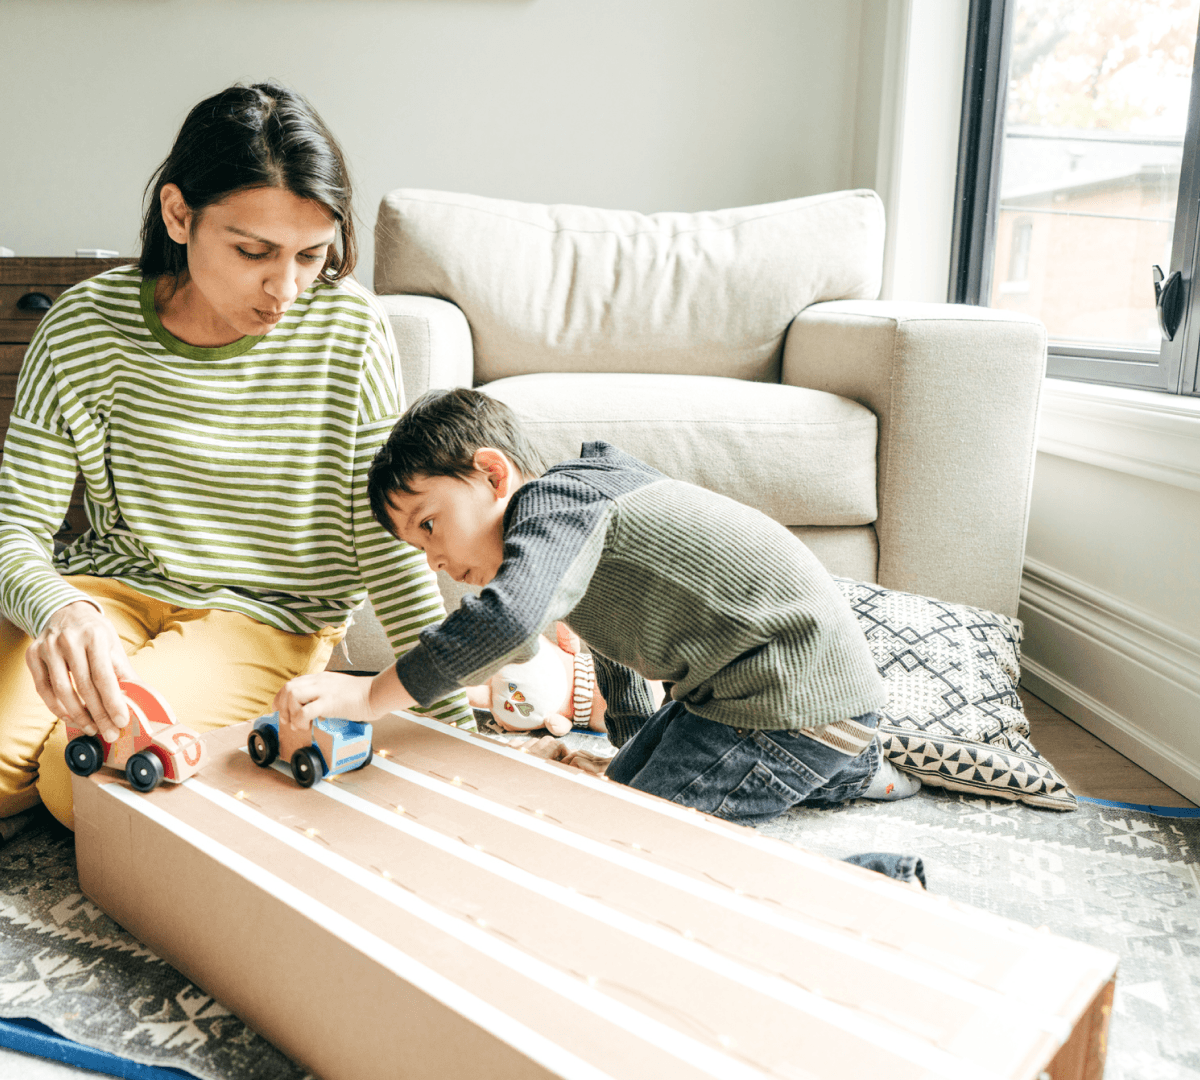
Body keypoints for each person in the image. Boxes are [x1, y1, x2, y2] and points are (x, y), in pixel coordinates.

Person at [0, 82, 472, 832]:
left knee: (77, 774)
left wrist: (452, 725)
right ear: (179, 214)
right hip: (108, 596)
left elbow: (384, 542)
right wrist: (60, 606)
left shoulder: (346, 331)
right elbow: (14, 528)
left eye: (311, 255)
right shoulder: (84, 329)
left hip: (268, 618)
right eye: (254, 251)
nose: (283, 289)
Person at [275, 388, 921, 828]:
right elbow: (620, 647)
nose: (433, 561)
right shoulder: (567, 534)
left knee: (627, 840)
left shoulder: (557, 508)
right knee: (618, 785)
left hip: (786, 698)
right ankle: (846, 766)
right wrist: (631, 744)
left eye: (430, 525)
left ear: (495, 476)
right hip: (750, 694)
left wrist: (369, 697)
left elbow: (504, 623)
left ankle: (858, 843)